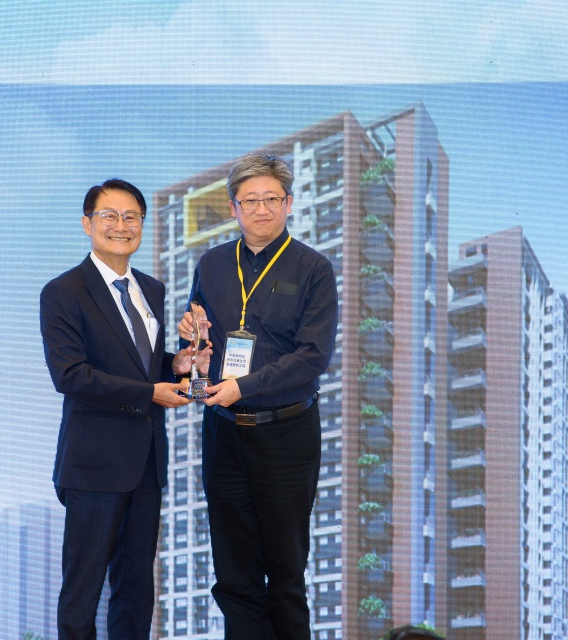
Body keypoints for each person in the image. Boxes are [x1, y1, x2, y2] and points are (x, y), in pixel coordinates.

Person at [178, 153, 339, 639]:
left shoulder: (313, 268)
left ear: (289, 203)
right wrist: (193, 352)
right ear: (233, 208)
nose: (261, 209)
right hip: (223, 434)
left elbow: (313, 356)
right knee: (233, 577)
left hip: (287, 432)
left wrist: (243, 386)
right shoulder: (211, 264)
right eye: (250, 200)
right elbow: (201, 346)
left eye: (271, 199)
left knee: (285, 576)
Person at [40, 178, 207, 640]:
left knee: (136, 594)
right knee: (82, 596)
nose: (121, 225)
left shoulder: (151, 288)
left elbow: (142, 364)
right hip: (94, 464)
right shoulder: (64, 291)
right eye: (109, 216)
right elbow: (71, 375)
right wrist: (149, 392)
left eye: (131, 217)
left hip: (146, 462)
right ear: (87, 224)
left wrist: (179, 365)